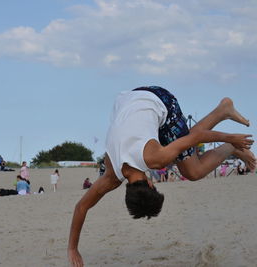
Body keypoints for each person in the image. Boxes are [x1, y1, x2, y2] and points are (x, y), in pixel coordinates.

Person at [68, 86, 256, 266]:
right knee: (181, 155)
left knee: (193, 171)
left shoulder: (155, 158)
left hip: (160, 100)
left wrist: (230, 139)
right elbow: (81, 207)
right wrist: (72, 249)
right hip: (129, 100)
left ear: (150, 185)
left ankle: (230, 142)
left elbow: (194, 139)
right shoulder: (110, 174)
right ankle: (222, 111)